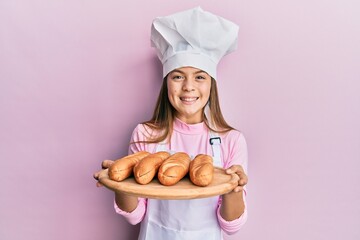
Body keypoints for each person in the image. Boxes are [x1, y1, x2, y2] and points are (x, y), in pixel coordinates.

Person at [94, 7, 248, 240]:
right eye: (178, 76)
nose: (188, 87)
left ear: (211, 85)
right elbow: (135, 216)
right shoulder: (145, 134)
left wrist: (233, 189)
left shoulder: (231, 140)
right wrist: (121, 184)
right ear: (166, 83)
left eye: (199, 77)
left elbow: (231, 227)